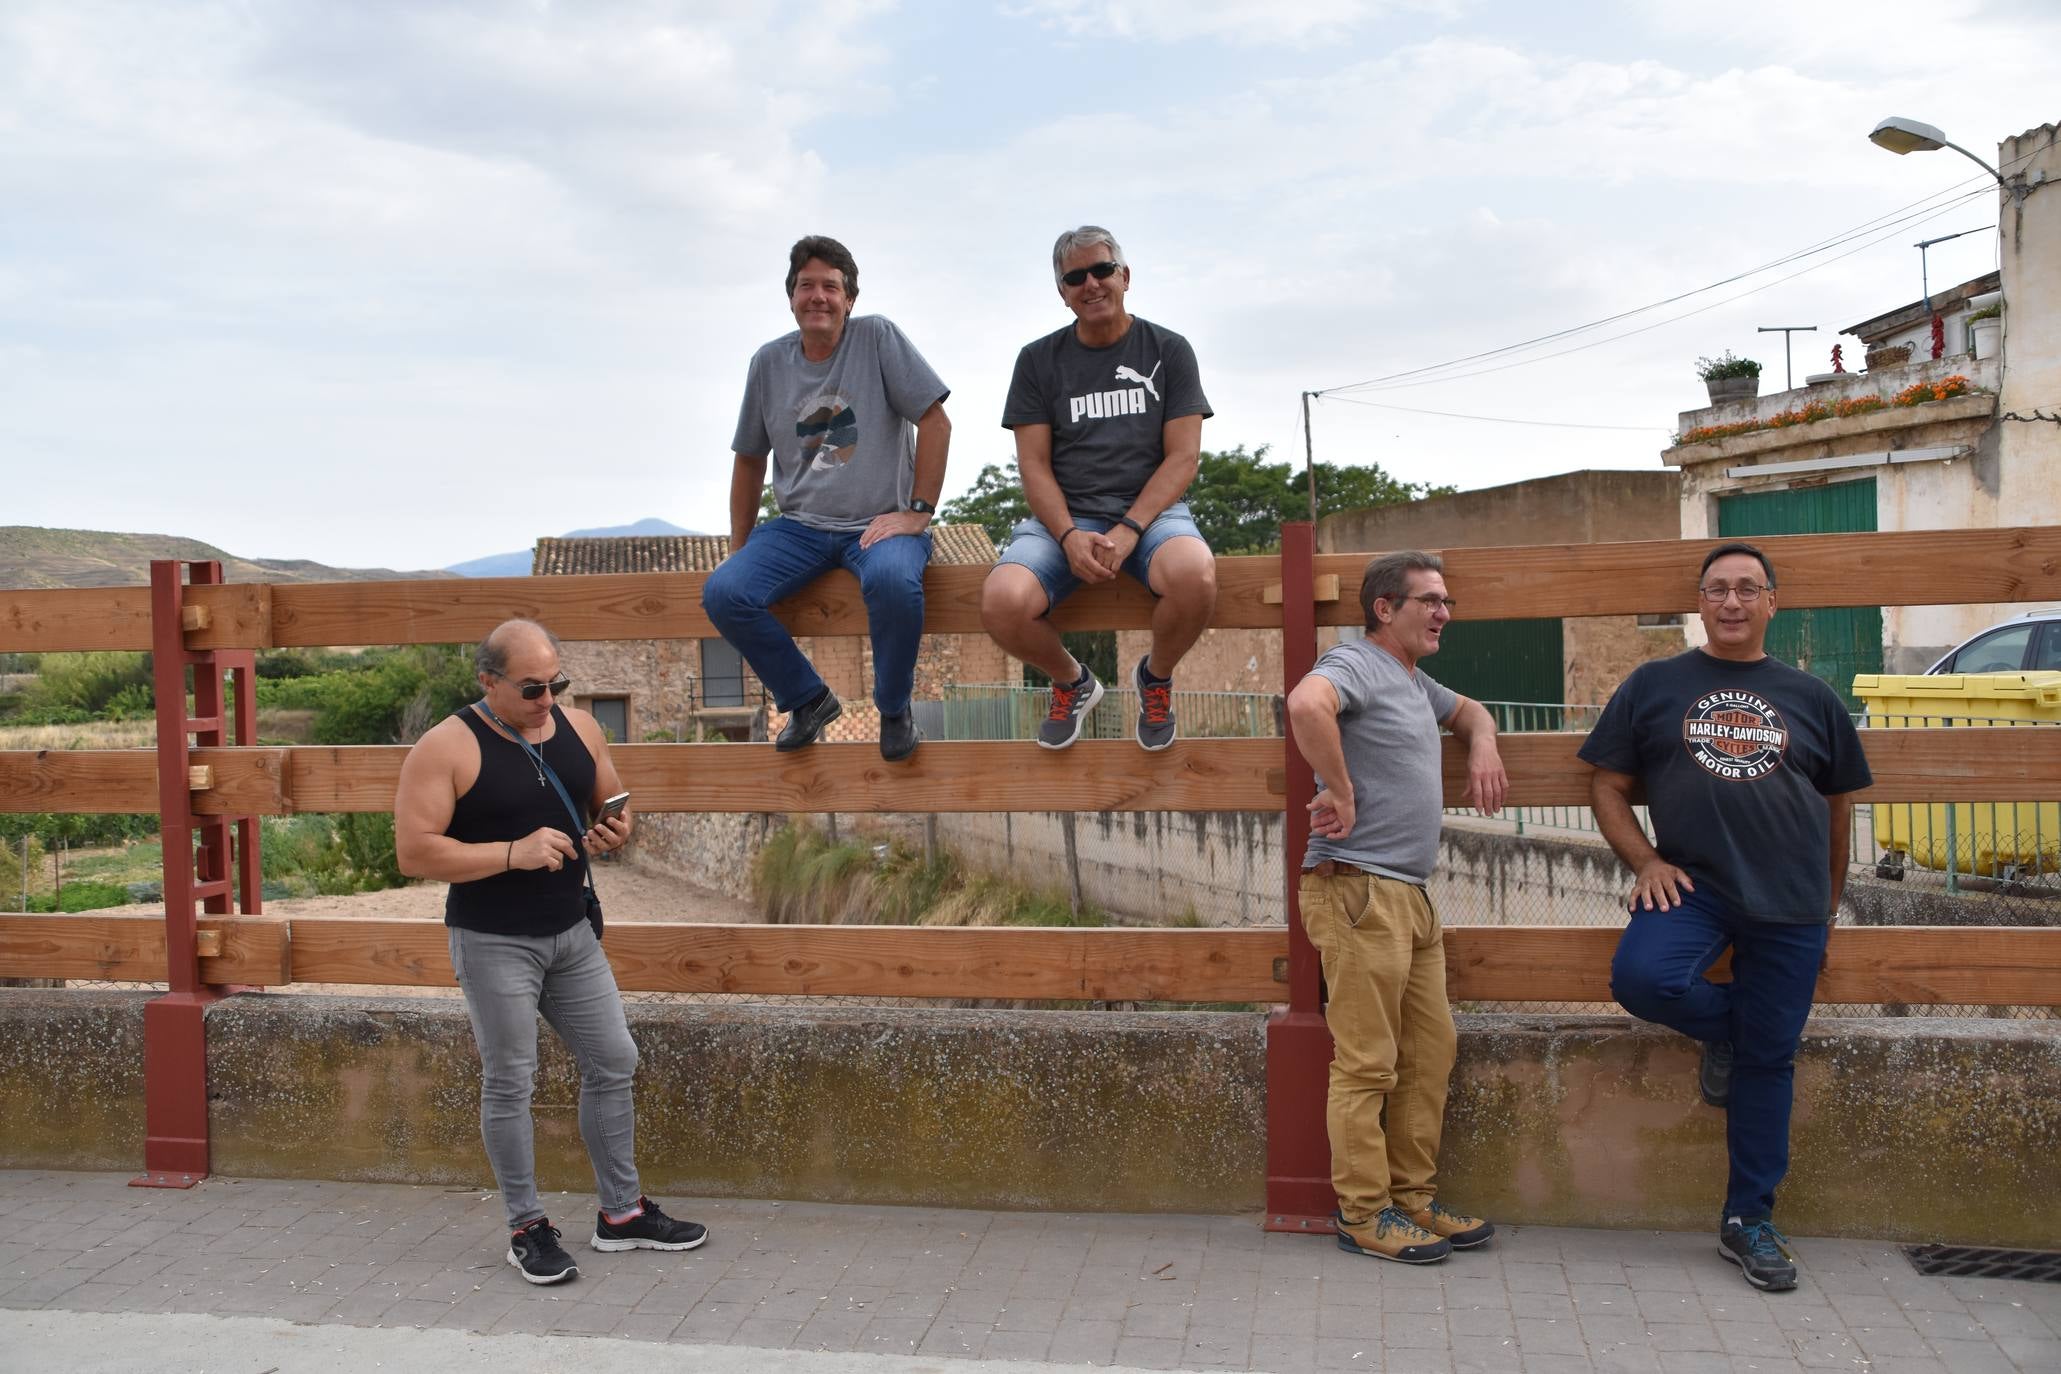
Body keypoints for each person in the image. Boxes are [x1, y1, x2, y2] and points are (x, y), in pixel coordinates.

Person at [1581, 542, 1871, 1293]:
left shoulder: (1811, 698)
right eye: (1717, 590)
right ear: (1700, 603)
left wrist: (1828, 904)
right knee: (1643, 979)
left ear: (1772, 602)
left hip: (1792, 900)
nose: (1732, 602)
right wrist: (1645, 861)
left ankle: (1748, 1220)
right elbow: (1606, 785)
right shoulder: (1653, 684)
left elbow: (1838, 807)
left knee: (1769, 1064)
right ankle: (1737, 1034)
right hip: (1694, 887)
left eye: (1747, 589)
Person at [394, 619, 707, 1285]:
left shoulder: (580, 728)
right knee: (511, 1079)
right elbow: (414, 850)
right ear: (488, 682)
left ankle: (620, 1215)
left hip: (571, 931)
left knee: (614, 1059)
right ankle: (525, 1226)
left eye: (557, 684)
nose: (547, 699)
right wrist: (513, 852)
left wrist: (616, 829)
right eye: (532, 688)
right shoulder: (445, 746)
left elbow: (613, 801)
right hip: (492, 938)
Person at [1284, 551, 1508, 1265]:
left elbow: (1471, 709)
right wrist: (1338, 786)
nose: (1443, 613)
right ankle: (1363, 1214)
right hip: (1356, 890)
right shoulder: (1354, 663)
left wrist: (1481, 743)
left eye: (1446, 601)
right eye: (1429, 601)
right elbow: (1303, 703)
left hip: (1407, 895)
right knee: (1367, 1065)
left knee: (1428, 1055)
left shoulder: (1413, 680)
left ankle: (1411, 1202)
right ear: (1385, 608)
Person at [702, 234, 952, 761]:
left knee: (892, 582)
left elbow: (936, 420)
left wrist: (918, 513)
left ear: (850, 300)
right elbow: (749, 459)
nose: (818, 296)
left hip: (879, 523)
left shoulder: (878, 338)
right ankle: (807, 698)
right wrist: (741, 547)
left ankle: (893, 708)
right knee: (725, 592)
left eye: (831, 287)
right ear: (790, 296)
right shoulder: (768, 363)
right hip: (799, 528)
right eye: (806, 285)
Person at [981, 225, 1215, 751]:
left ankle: (1155, 678)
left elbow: (1183, 457)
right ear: (1062, 292)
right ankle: (1073, 682)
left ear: (1125, 277)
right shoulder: (1038, 361)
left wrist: (1131, 529)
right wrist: (1066, 536)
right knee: (1001, 601)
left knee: (1195, 574)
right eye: (1074, 277)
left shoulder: (1169, 351)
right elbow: (1034, 466)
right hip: (1067, 519)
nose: (1091, 284)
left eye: (1102, 270)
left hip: (1151, 516)